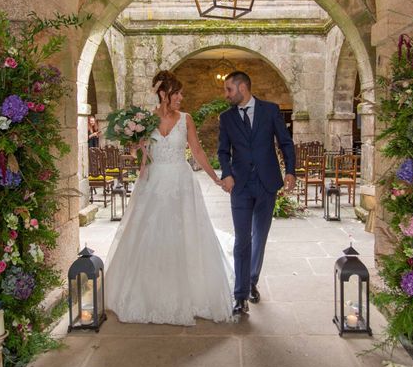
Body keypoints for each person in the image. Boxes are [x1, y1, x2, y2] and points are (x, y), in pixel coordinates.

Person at [104, 70, 234, 325]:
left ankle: (188, 293)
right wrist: (135, 146)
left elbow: (196, 150)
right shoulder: (144, 120)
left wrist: (214, 178)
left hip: (180, 184)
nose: (181, 97)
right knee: (150, 235)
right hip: (152, 184)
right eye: (177, 93)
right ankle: (147, 292)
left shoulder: (186, 119)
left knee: (183, 233)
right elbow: (138, 155)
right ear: (164, 94)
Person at [218, 71, 296, 315]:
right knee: (242, 240)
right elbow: (223, 151)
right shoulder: (226, 118)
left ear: (242, 88)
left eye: (229, 89)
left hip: (267, 183)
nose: (226, 94)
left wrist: (291, 171)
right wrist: (226, 174)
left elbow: (285, 142)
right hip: (240, 186)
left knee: (259, 236)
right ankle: (240, 295)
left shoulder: (270, 110)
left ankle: (252, 281)